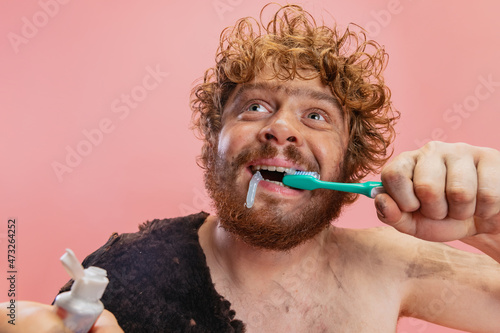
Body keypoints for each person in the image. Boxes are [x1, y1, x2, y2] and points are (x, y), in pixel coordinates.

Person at [2, 4, 500, 332]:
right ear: (214, 139)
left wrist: (491, 228)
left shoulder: (392, 264)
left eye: (316, 115)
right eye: (256, 107)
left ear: (350, 158)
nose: (281, 130)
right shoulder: (122, 277)